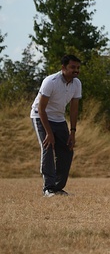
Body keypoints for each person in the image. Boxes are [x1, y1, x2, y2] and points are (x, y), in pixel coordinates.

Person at [31, 54, 82, 197]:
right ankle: (48, 188)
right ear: (63, 67)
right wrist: (49, 133)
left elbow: (74, 109)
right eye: (72, 67)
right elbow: (41, 109)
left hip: (59, 119)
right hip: (41, 116)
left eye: (78, 68)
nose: (76, 70)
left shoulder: (77, 84)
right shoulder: (50, 81)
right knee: (48, 146)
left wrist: (72, 132)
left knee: (67, 149)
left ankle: (57, 187)